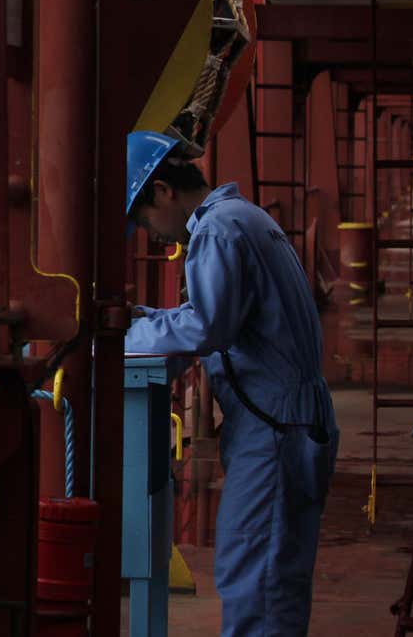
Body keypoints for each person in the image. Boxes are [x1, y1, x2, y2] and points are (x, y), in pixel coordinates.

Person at [124, 130, 339, 637]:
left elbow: (207, 326)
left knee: (255, 579)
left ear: (162, 192)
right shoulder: (243, 218)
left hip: (274, 430)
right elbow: (219, 316)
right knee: (274, 578)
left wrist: (126, 333)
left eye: (144, 218)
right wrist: (150, 318)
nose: (150, 234)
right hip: (288, 420)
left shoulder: (218, 232)